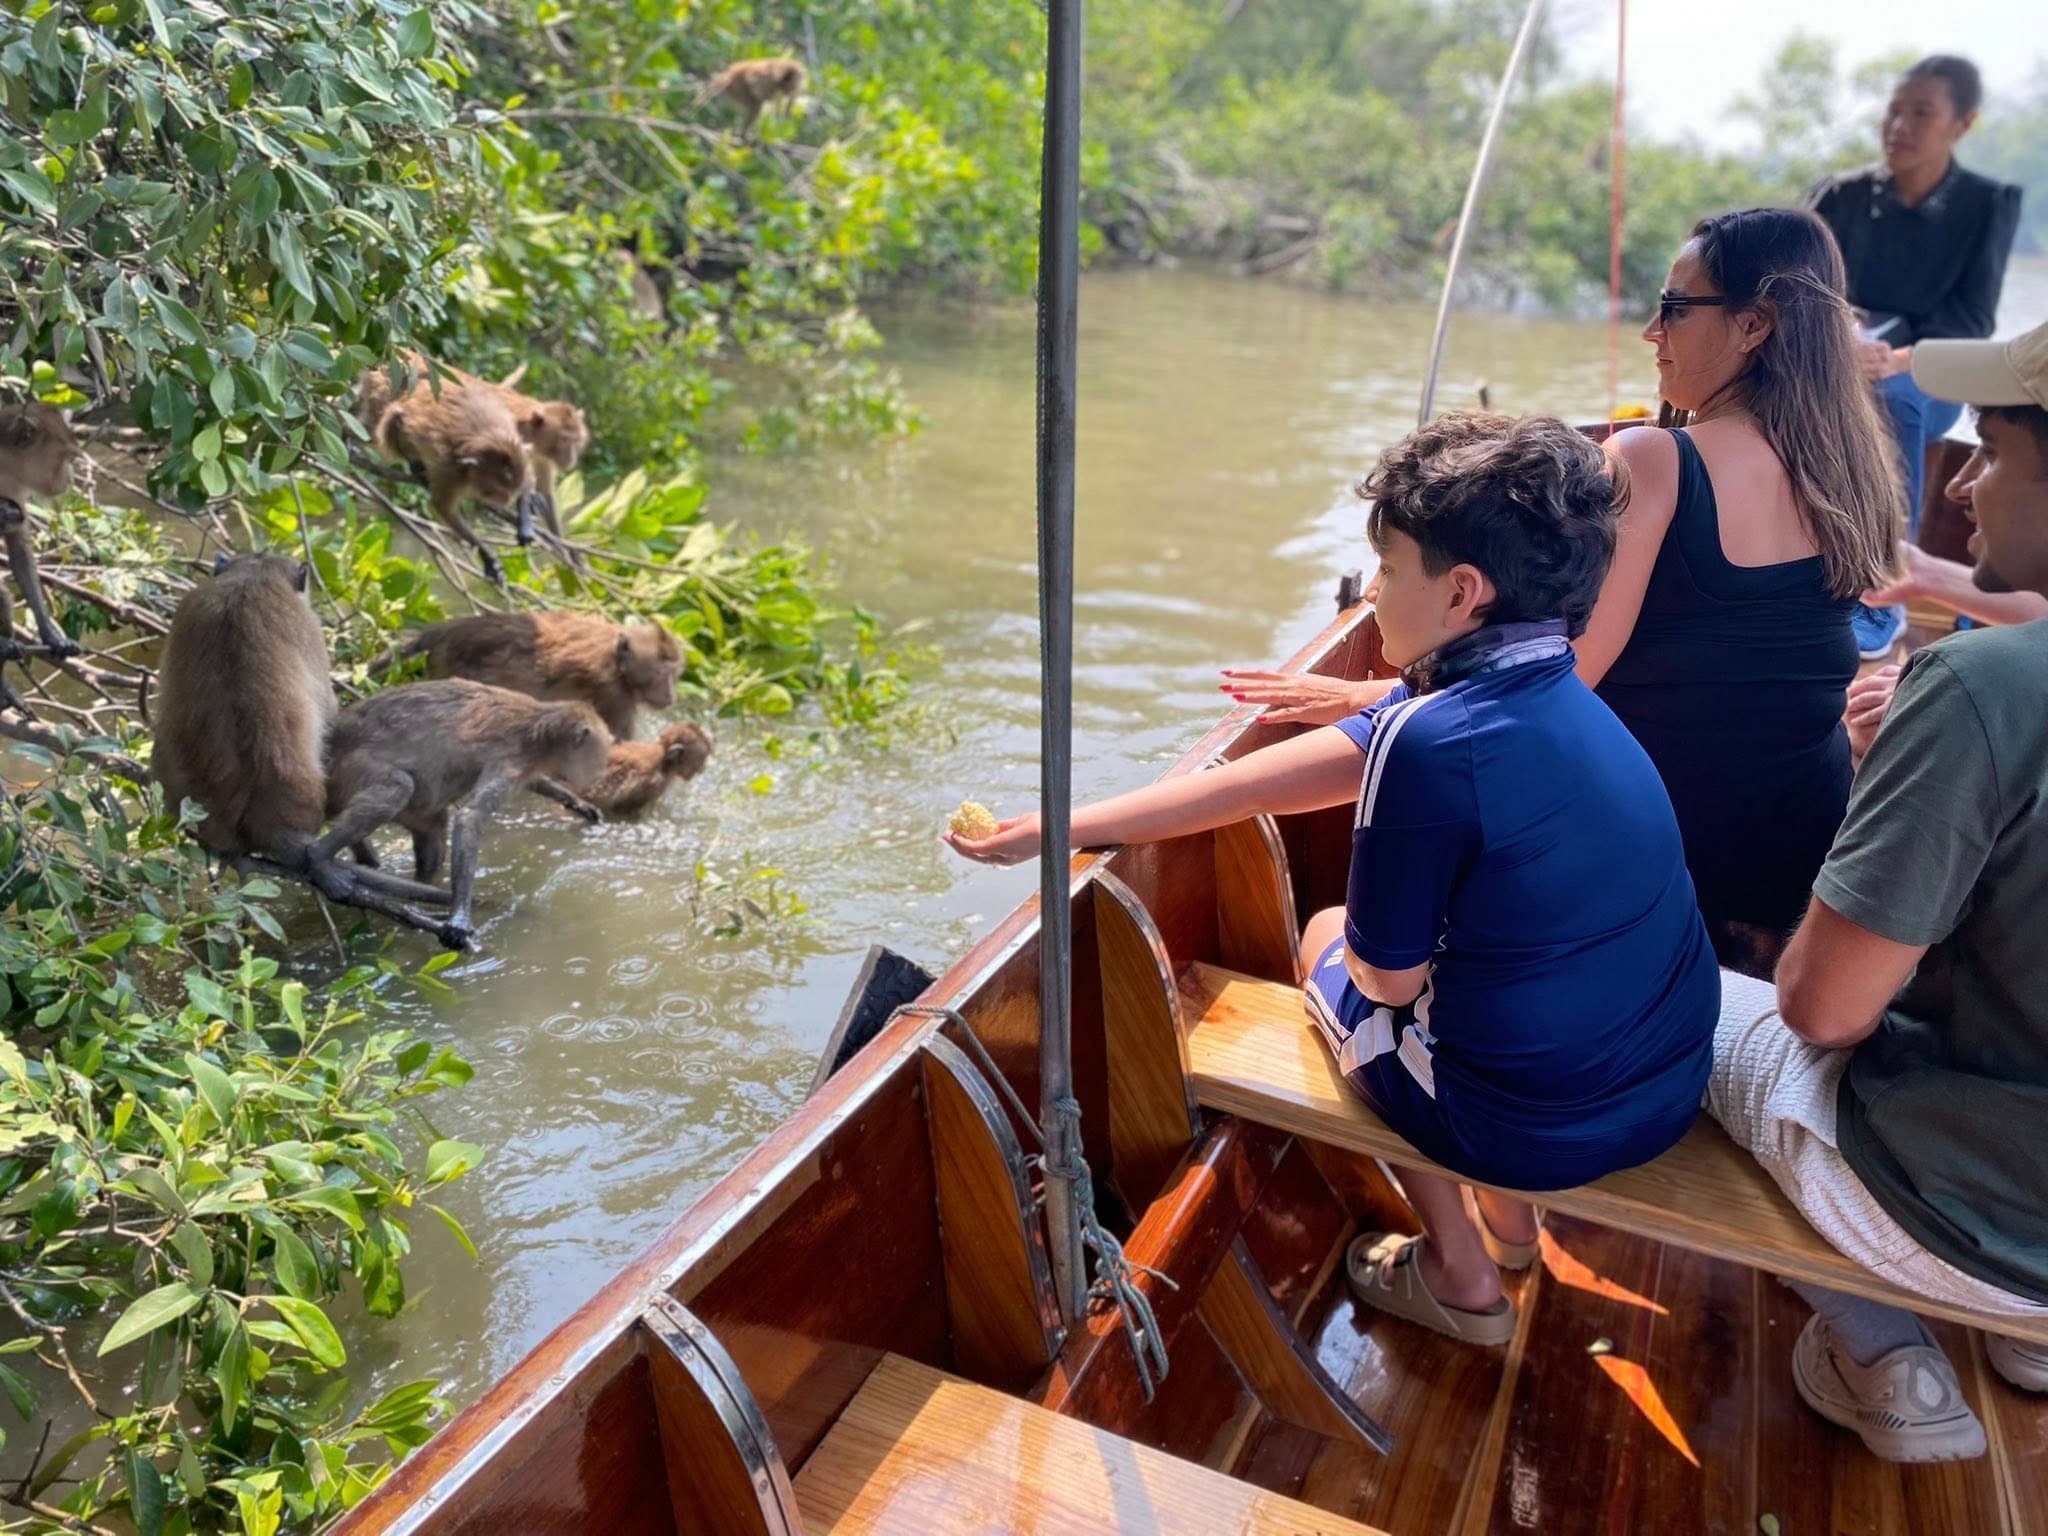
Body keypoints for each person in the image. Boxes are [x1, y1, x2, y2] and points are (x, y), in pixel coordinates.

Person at [953, 413, 1718, 1344]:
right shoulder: (1555, 683)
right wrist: (1063, 827)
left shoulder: (1430, 743)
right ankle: (1515, 1225)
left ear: (1463, 592)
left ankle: (1460, 1269)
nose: (1375, 597)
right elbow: (1256, 787)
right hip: (1662, 1088)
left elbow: (1386, 981)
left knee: (1326, 934)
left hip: (1528, 1129)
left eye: (1390, 572)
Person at [1230, 211, 1899, 973]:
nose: (1653, 330)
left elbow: (1554, 681)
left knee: (1334, 928)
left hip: (1677, 882)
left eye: (1675, 308)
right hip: (1803, 875)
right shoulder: (1852, 471)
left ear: (1753, 325)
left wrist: (1366, 704)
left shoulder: (1656, 460)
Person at [1708, 317, 2048, 1462]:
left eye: (1993, 454)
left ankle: (1879, 1353)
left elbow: (1822, 1010)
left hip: (1976, 1215)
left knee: (1672, 1006)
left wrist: (1877, 796)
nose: (1961, 494)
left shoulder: (1978, 688)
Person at [1807, 54, 2024, 658]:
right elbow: (1800, 283)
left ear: (1963, 123)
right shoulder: (1840, 196)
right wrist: (1845, 336)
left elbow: (1974, 321)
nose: (1898, 125)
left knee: (1893, 398)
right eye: (1893, 111)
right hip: (1837, 357)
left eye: (1920, 113)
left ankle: (1883, 584)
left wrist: (1895, 359)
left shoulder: (1988, 203)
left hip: (1922, 373)